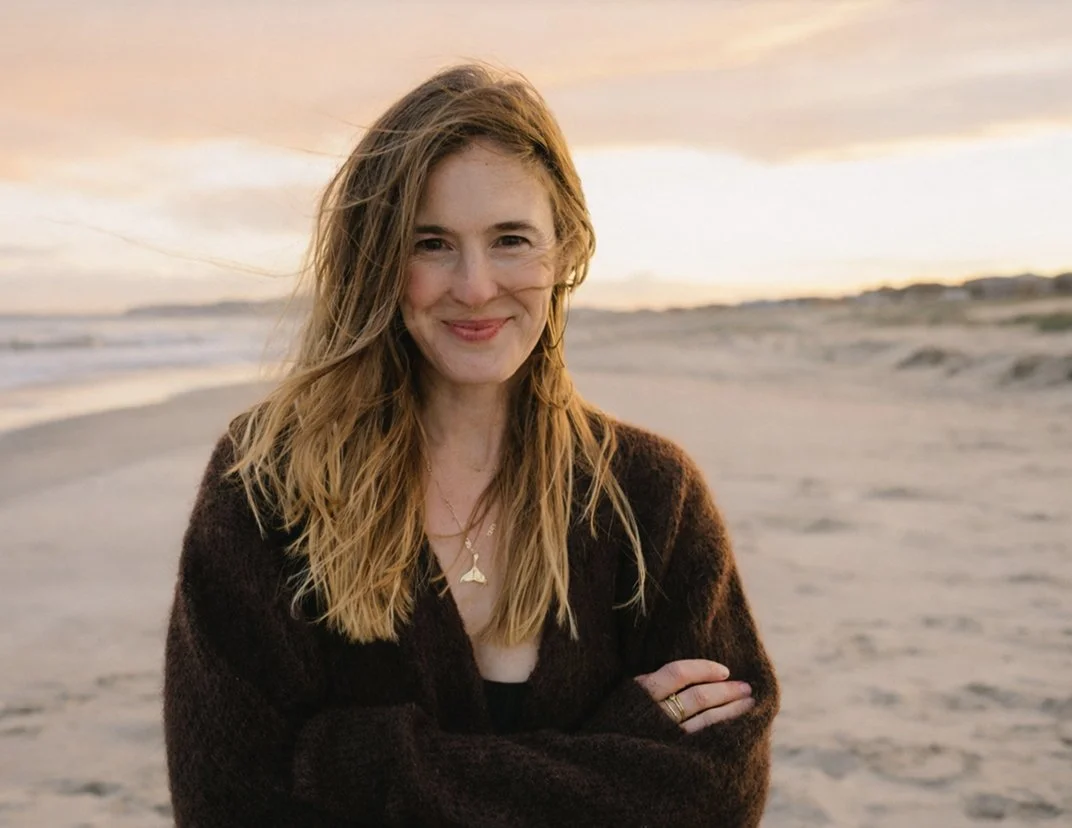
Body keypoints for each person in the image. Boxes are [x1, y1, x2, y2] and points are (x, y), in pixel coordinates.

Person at [163, 63, 779, 827]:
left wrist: (363, 763)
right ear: (378, 262)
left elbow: (717, 796)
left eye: (511, 239)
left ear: (566, 251)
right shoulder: (270, 485)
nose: (477, 285)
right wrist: (609, 763)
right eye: (432, 243)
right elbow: (229, 804)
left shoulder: (651, 496)